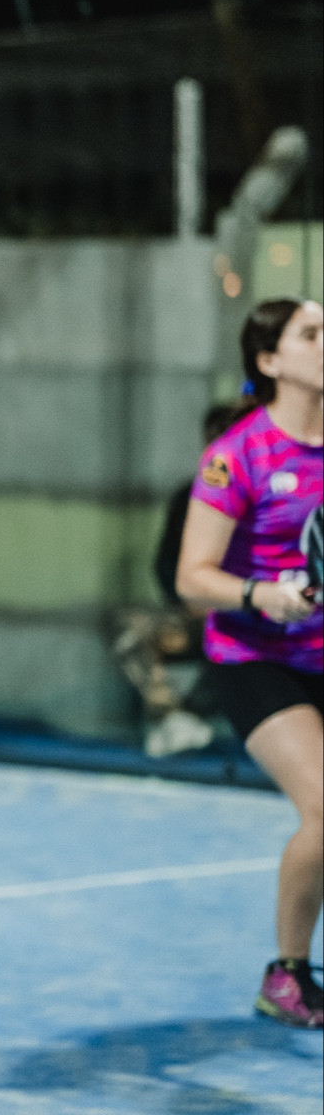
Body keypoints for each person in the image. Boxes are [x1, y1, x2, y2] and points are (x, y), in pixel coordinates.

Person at [176, 296, 323, 1030]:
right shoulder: (237, 455)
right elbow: (190, 577)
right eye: (311, 334)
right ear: (270, 362)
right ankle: (286, 975)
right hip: (256, 656)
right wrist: (262, 594)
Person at [118, 402, 240, 758]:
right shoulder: (190, 497)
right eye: (213, 441)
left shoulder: (274, 497)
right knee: (131, 634)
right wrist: (190, 599)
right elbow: (167, 565)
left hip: (257, 618)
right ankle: (175, 718)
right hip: (200, 615)